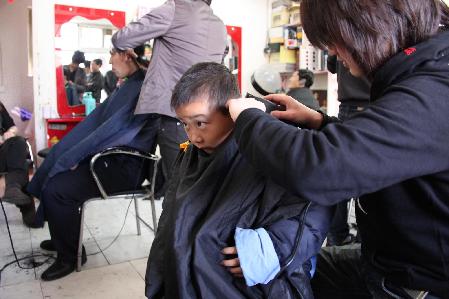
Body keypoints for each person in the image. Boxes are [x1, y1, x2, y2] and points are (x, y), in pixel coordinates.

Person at [227, 1, 449, 298]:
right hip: (386, 258)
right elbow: (382, 150)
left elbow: (319, 168)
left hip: (416, 284)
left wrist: (248, 118)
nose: (332, 53)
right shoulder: (426, 66)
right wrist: (320, 123)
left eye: (333, 40)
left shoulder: (436, 87)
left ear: (369, 22)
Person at [145, 62, 333, 299]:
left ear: (232, 110)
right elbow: (170, 220)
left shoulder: (273, 143)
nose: (193, 136)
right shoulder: (190, 153)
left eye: (200, 122)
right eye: (185, 124)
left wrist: (271, 248)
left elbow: (313, 209)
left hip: (253, 282)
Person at [27, 45, 159, 281]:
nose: (109, 61)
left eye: (112, 55)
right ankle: (64, 240)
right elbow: (105, 130)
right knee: (54, 174)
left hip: (122, 167)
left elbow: (115, 133)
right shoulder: (131, 84)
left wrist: (79, 156)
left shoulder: (141, 89)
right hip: (110, 159)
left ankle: (70, 257)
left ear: (127, 55)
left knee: (58, 189)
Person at [111, 0, 227, 198]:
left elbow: (121, 39)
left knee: (180, 190)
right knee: (191, 178)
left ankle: (176, 225)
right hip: (206, 117)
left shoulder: (175, 8)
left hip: (176, 118)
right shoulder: (219, 25)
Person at [325, 54, 372, 247]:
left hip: (347, 109)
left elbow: (331, 65)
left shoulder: (341, 32)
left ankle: (337, 238)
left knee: (338, 180)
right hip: (374, 105)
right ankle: (365, 240)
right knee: (371, 182)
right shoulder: (380, 32)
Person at [0, 101, 35, 227]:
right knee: (22, 168)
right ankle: (11, 187)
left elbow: (13, 126)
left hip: (3, 151)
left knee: (19, 141)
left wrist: (10, 132)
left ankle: (10, 185)